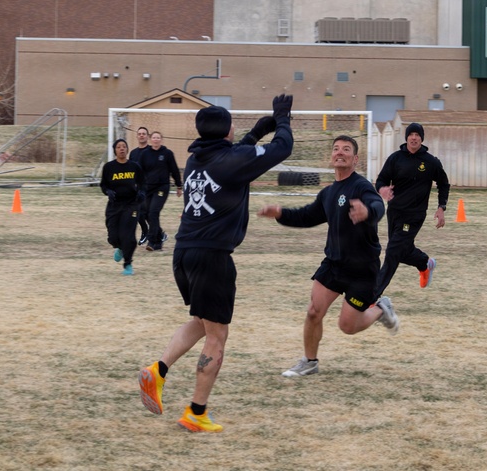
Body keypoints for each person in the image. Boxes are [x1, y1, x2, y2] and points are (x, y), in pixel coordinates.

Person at [137, 98, 293, 432]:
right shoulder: (229, 160)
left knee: (201, 321)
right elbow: (282, 149)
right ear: (227, 130)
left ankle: (158, 370)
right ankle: (196, 412)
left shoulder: (196, 159)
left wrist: (254, 133)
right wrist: (281, 119)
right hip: (212, 256)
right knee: (217, 335)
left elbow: (233, 155)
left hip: (185, 251)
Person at [258, 135, 400, 378]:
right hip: (334, 264)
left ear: (355, 159)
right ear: (331, 157)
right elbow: (307, 216)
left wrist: (368, 212)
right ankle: (309, 362)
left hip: (362, 269)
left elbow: (377, 204)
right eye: (336, 149)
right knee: (314, 311)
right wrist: (280, 213)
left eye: (346, 149)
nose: (340, 152)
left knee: (347, 326)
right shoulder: (328, 193)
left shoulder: (361, 186)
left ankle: (380, 309)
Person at [373, 122, 450, 297]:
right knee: (401, 250)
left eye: (417, 135)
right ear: (406, 137)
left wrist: (441, 207)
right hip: (394, 212)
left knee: (393, 251)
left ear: (422, 138)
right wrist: (382, 189)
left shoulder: (431, 162)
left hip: (414, 215)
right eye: (411, 134)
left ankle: (372, 295)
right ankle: (425, 263)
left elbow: (444, 184)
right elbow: (381, 179)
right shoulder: (395, 158)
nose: (414, 137)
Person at [100, 139, 145, 276]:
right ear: (115, 150)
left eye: (124, 146)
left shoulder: (135, 166)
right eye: (119, 147)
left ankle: (128, 264)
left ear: (127, 149)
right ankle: (118, 247)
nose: (122, 149)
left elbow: (143, 183)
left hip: (131, 204)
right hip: (114, 205)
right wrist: (108, 192)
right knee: (113, 236)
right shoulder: (108, 167)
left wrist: (142, 193)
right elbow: (103, 185)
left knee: (128, 236)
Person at [138, 131, 183, 251]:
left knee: (153, 212)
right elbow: (139, 171)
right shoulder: (145, 154)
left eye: (158, 138)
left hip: (162, 187)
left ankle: (152, 241)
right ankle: (159, 238)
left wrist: (179, 186)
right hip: (148, 188)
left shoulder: (167, 154)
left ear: (161, 140)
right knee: (146, 213)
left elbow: (174, 170)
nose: (156, 139)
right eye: (154, 137)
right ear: (150, 139)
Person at [129, 127, 151, 246]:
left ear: (147, 136)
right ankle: (153, 232)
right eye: (140, 134)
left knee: (145, 212)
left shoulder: (151, 151)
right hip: (136, 187)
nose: (142, 135)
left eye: (144, 134)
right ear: (137, 136)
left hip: (149, 186)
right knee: (137, 211)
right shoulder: (133, 153)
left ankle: (150, 232)